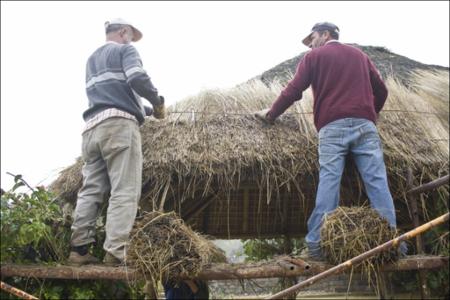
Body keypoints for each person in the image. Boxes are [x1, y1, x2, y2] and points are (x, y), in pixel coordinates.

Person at [256, 22, 406, 260]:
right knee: (377, 182)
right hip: (365, 126)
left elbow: (294, 90)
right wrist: (370, 114)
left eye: (312, 37)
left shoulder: (314, 57)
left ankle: (315, 244)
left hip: (332, 127)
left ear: (326, 34)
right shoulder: (359, 55)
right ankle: (393, 242)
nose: (311, 43)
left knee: (329, 183)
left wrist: (272, 114)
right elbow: (382, 91)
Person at [68, 18, 166, 266]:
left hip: (91, 130)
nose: (131, 41)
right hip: (119, 128)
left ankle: (78, 250)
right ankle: (116, 251)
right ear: (124, 32)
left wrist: (146, 110)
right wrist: (157, 102)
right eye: (131, 36)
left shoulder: (92, 60)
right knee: (124, 188)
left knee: (91, 190)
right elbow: (137, 79)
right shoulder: (125, 49)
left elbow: (114, 95)